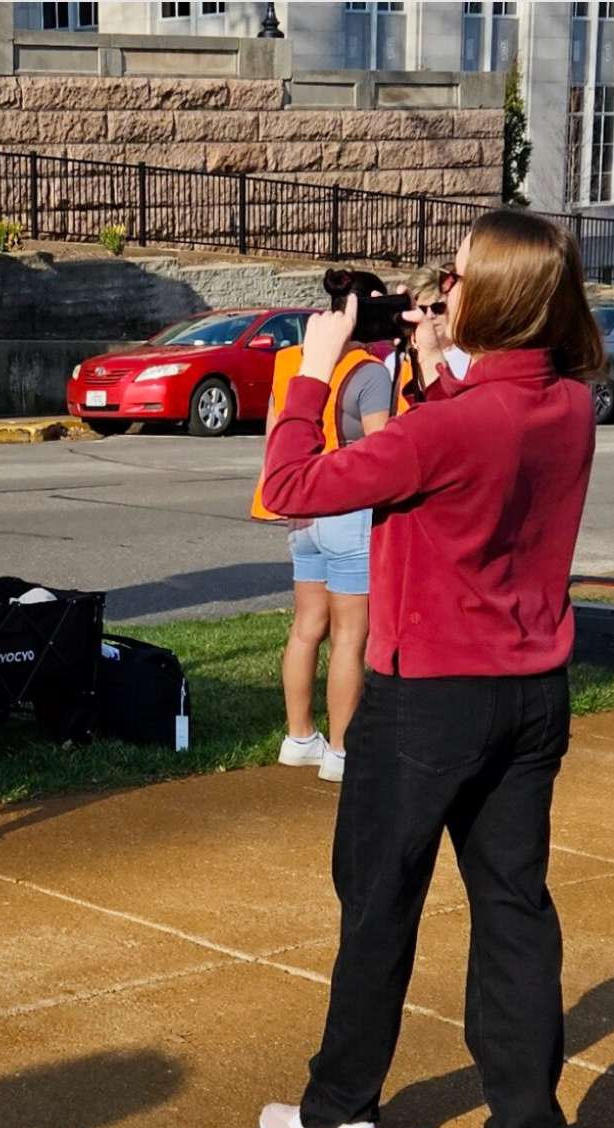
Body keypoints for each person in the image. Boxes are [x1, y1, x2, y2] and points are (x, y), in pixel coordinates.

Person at [254, 210, 605, 1128]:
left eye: (452, 280)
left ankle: (338, 1114)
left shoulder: (446, 427)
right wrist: (439, 353)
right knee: (513, 913)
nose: (437, 290)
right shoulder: (569, 406)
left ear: (488, 295)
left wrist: (315, 368)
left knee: (376, 904)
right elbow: (487, 423)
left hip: (426, 705)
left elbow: (290, 484)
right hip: (530, 693)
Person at [257, 269, 396, 785]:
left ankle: (298, 737)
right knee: (350, 637)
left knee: (306, 627)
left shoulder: (295, 361)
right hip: (349, 508)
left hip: (302, 507)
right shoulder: (371, 371)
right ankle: (341, 750)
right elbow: (382, 451)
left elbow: (280, 430)